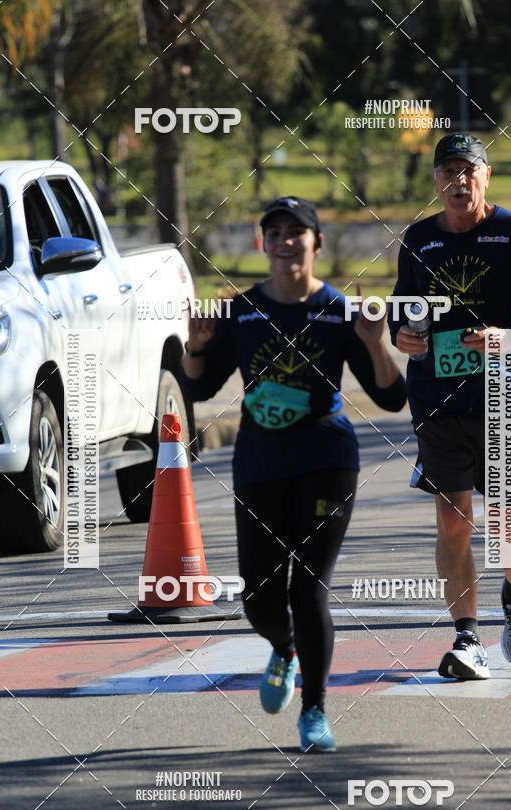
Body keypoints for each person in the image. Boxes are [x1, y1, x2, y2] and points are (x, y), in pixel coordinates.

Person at [181, 196, 406, 751]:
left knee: (308, 588)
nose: (285, 242)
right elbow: (200, 389)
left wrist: (376, 345)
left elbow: (392, 395)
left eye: (296, 233)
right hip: (260, 462)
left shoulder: (337, 311)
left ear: (316, 243)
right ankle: (283, 649)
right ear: (263, 244)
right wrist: (195, 347)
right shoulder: (242, 312)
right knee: (259, 598)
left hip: (326, 460)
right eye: (274, 233)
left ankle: (315, 711)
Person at [390, 133, 511, 680]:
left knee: (499, 520)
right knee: (452, 518)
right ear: (436, 181)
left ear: (486, 176)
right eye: (448, 172)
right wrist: (402, 334)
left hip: (502, 393)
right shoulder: (420, 239)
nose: (458, 182)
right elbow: (404, 308)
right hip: (435, 396)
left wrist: (510, 336)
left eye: (468, 171)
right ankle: (466, 638)